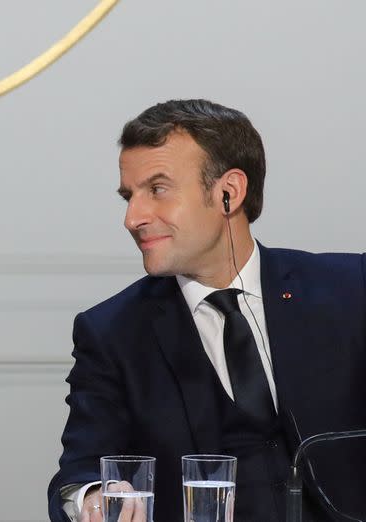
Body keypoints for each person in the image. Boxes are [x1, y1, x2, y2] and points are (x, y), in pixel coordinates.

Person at [47, 99, 366, 522]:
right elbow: (79, 471)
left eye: (157, 189)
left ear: (228, 193)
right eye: (129, 196)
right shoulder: (112, 332)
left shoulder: (352, 288)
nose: (132, 217)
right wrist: (92, 497)